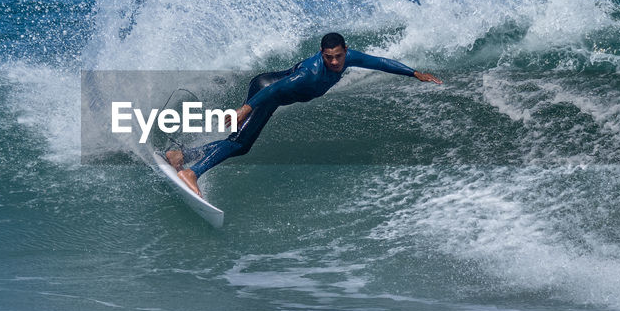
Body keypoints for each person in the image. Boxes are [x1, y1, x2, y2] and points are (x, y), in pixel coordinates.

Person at [164, 32, 442, 195]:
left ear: (345, 51)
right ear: (321, 54)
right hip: (267, 91)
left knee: (240, 145)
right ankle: (192, 172)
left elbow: (379, 62)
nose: (334, 62)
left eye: (338, 57)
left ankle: (181, 156)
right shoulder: (310, 72)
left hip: (273, 94)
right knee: (239, 144)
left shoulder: (350, 57)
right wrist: (245, 109)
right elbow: (277, 88)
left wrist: (414, 73)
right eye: (328, 57)